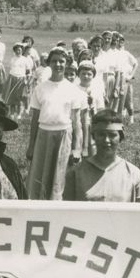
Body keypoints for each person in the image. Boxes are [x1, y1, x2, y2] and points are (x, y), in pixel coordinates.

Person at [26, 48, 84, 200]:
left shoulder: (73, 90)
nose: (58, 64)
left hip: (64, 135)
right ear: (48, 63)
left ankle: (57, 204)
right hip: (43, 135)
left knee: (60, 175)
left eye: (62, 61)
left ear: (67, 64)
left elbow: (77, 121)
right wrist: (31, 145)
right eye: (54, 61)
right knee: (40, 175)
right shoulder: (40, 88)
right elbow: (35, 119)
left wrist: (77, 148)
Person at [63, 109, 140, 202]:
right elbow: (67, 213)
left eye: (112, 135)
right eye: (101, 134)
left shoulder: (134, 174)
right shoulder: (75, 174)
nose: (106, 140)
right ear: (94, 136)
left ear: (120, 137)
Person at [4, 42, 33, 118]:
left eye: (19, 50)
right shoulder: (12, 59)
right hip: (12, 78)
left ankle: (19, 113)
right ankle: (12, 113)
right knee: (12, 97)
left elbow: (28, 72)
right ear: (14, 51)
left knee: (20, 96)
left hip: (21, 79)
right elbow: (11, 69)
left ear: (22, 50)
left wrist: (27, 80)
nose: (18, 51)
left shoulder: (25, 60)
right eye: (16, 50)